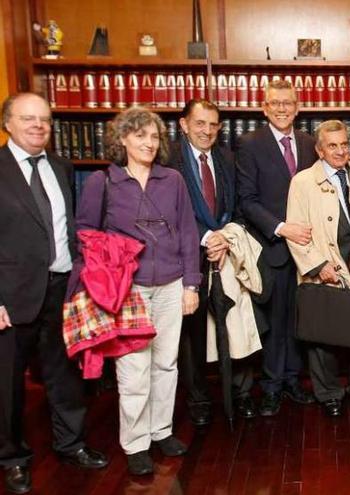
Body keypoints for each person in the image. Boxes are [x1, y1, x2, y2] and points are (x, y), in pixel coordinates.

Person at [76, 107, 200, 475]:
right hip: (127, 289)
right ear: (123, 139)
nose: (148, 142)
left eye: (154, 136)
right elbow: (85, 232)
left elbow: (188, 232)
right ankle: (135, 443)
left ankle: (161, 432)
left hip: (172, 284)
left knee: (166, 363)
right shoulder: (104, 182)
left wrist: (191, 283)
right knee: (133, 369)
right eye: (140, 135)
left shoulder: (173, 179)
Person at [0, 93, 107, 494]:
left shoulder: (62, 167)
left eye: (44, 119)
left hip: (62, 288)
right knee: (8, 384)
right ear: (8, 123)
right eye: (28, 119)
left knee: (64, 376)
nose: (38, 126)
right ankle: (13, 458)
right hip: (10, 298)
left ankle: (71, 444)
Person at [168, 99, 255, 426]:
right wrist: (206, 237)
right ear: (184, 124)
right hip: (185, 257)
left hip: (226, 252)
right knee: (191, 333)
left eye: (213, 124)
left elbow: (236, 207)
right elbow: (170, 214)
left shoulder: (227, 158)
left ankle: (240, 392)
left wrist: (224, 238)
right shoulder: (169, 160)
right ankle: (199, 401)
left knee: (235, 322)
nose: (207, 131)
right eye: (200, 123)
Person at [237, 79, 318, 416]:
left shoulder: (310, 142)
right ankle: (270, 387)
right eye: (276, 103)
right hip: (272, 246)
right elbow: (247, 201)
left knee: (300, 319)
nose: (283, 108)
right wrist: (283, 229)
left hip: (309, 249)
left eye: (288, 102)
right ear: (264, 107)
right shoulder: (248, 144)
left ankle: (292, 381)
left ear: (297, 107)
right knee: (275, 319)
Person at [286, 120, 350, 417]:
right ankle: (330, 393)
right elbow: (295, 234)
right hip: (324, 266)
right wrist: (318, 265)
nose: (340, 151)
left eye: (344, 144)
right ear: (320, 150)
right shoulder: (302, 182)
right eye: (332, 146)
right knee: (323, 333)